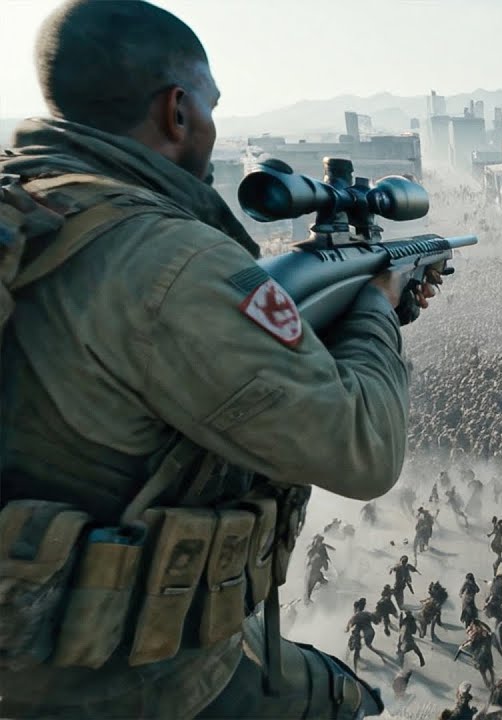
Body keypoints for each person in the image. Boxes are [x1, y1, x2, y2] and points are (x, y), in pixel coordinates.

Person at [0, 2, 444, 717]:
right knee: (341, 700)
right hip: (124, 683)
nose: (211, 122)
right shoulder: (168, 261)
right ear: (177, 111)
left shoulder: (33, 210)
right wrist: (375, 311)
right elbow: (366, 450)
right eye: (209, 104)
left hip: (32, 662)